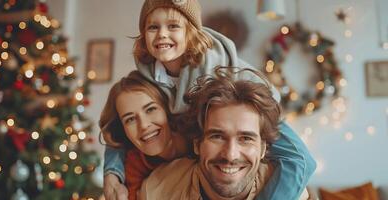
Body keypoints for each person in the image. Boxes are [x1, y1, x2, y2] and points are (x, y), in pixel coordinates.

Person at [103, 0, 316, 199]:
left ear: (191, 31)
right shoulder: (149, 79)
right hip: (195, 175)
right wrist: (112, 171)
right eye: (153, 27)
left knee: (298, 160)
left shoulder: (222, 72)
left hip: (252, 109)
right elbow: (121, 121)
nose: (162, 35)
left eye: (173, 26)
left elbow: (301, 160)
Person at [139, 67, 309, 199]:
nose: (230, 155)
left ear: (263, 148)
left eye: (246, 138)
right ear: (197, 144)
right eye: (217, 137)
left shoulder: (294, 195)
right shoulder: (156, 191)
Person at [100, 71, 188, 200]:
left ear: (167, 109)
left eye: (150, 109)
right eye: (130, 119)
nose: (144, 125)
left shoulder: (197, 141)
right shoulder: (134, 162)